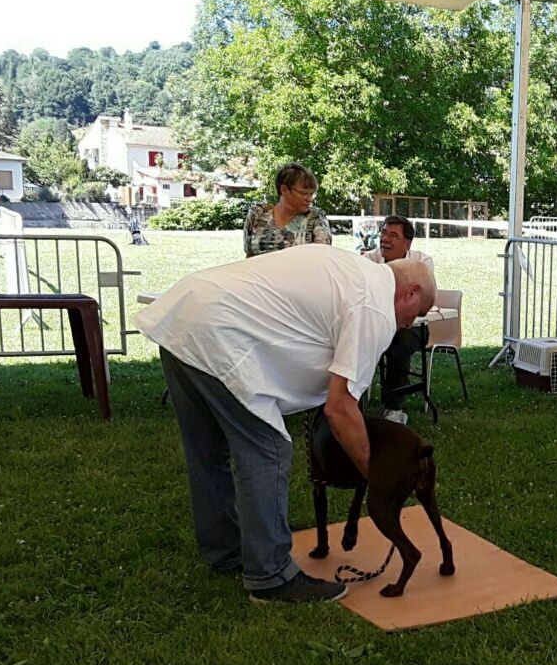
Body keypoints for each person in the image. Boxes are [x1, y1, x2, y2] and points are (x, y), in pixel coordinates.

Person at [134, 243, 437, 604]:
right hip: (219, 333)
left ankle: (226, 552)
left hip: (185, 317)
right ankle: (271, 576)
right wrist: (377, 478)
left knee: (208, 453)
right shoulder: (375, 306)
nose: (410, 324)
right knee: (268, 450)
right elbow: (340, 408)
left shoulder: (354, 272)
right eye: (417, 313)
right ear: (410, 292)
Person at [362, 215, 436, 424]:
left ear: (407, 243)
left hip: (413, 325)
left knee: (398, 341)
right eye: (384, 233)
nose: (385, 239)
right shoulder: (368, 260)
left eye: (393, 235)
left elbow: (416, 302)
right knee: (354, 338)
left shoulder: (422, 262)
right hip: (376, 323)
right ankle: (350, 402)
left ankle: (394, 409)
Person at [243, 161, 332, 257]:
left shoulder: (316, 217)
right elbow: (249, 256)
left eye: (312, 194)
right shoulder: (257, 214)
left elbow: (323, 257)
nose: (309, 199)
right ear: (284, 189)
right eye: (304, 193)